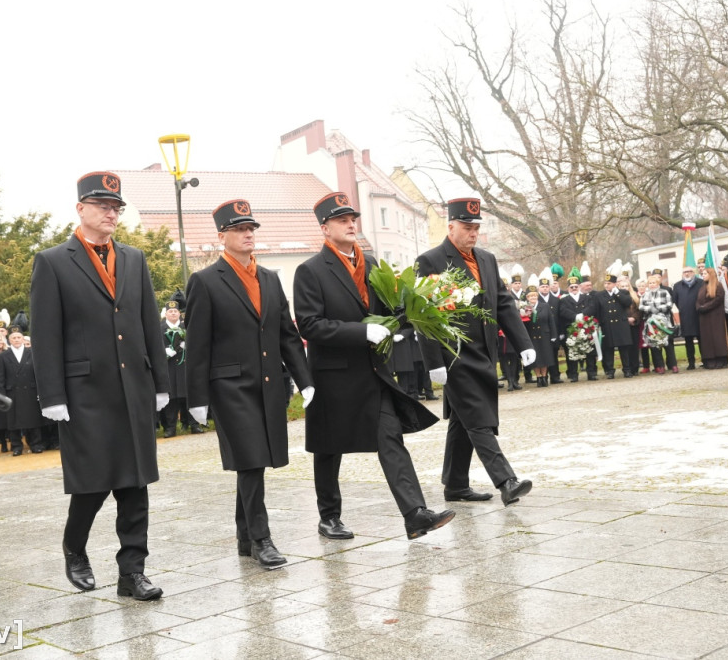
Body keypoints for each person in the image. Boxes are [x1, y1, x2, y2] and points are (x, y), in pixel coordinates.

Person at [31, 171, 170, 601]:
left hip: (133, 388)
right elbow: (45, 333)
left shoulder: (133, 258)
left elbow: (149, 322)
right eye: (103, 206)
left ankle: (132, 573)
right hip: (84, 394)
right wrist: (52, 395)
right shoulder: (54, 261)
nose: (112, 213)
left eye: (116, 207)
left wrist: (160, 382)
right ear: (81, 209)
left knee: (135, 484)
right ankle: (75, 547)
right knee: (92, 484)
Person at [293, 192, 453, 541]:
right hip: (333, 374)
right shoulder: (311, 271)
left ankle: (415, 514)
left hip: (372, 372)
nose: (351, 224)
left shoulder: (371, 263)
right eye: (342, 220)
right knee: (328, 448)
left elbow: (389, 307)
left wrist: (408, 319)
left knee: (390, 437)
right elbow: (309, 325)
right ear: (325, 227)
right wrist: (361, 331)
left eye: (353, 218)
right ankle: (329, 516)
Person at [186, 198, 313, 569]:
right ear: (222, 235)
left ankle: (245, 536)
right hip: (229, 387)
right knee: (251, 460)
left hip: (269, 383)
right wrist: (197, 397)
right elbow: (197, 344)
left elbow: (287, 334)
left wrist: (305, 380)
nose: (247, 235)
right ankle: (262, 539)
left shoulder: (270, 278)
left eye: (251, 229)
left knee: (253, 462)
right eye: (239, 229)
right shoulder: (205, 281)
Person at [416, 197, 536, 507]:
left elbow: (503, 302)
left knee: (462, 419)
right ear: (451, 226)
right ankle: (506, 481)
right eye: (467, 228)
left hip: (485, 351)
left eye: (476, 228)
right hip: (453, 354)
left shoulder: (486, 258)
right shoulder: (430, 261)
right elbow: (423, 313)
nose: (473, 234)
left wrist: (523, 342)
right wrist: (433, 362)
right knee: (478, 418)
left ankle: (455, 485)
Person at [0, 324, 44, 455]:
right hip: (12, 392)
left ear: (23, 339)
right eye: (13, 338)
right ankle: (16, 446)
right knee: (13, 421)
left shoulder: (32, 353)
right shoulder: (3, 356)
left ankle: (36, 444)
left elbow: (39, 374)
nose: (16, 340)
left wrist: (40, 392)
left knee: (33, 419)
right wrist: (2, 396)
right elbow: (0, 378)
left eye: (19, 337)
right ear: (9, 340)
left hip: (30, 390)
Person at [159, 296, 200, 436]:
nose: (173, 314)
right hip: (169, 367)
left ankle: (194, 425)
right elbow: (155, 344)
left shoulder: (186, 327)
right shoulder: (160, 328)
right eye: (170, 311)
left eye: (175, 311)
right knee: (171, 399)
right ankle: (170, 428)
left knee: (189, 396)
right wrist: (164, 351)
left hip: (185, 367)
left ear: (179, 313)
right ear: (166, 314)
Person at [593, 261, 634, 379]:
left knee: (624, 349)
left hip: (621, 325)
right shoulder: (599, 295)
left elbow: (627, 303)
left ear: (615, 284)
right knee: (608, 350)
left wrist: (617, 293)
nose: (607, 286)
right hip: (607, 325)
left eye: (609, 283)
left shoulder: (623, 292)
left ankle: (627, 369)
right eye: (605, 283)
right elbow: (596, 310)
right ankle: (610, 370)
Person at [522, 275, 556, 387]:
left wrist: (553, 335)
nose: (533, 298)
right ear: (527, 298)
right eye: (530, 296)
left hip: (544, 334)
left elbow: (551, 321)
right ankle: (538, 378)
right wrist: (525, 315)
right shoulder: (525, 308)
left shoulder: (544, 306)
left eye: (534, 296)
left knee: (545, 356)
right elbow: (523, 324)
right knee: (535, 358)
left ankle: (545, 377)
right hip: (532, 336)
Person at [696, 268, 728, 368]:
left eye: (705, 273)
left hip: (715, 316)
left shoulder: (718, 286)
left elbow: (718, 299)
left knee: (717, 337)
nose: (703, 275)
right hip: (704, 317)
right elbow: (698, 300)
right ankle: (709, 359)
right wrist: (698, 307)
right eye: (702, 274)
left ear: (711, 274)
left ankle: (721, 358)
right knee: (707, 339)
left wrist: (705, 307)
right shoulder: (702, 287)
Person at [673, 265, 704, 369]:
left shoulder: (701, 283)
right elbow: (676, 301)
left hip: (699, 315)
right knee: (688, 341)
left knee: (702, 339)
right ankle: (691, 362)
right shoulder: (677, 285)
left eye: (689, 271)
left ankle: (705, 359)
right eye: (685, 272)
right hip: (686, 316)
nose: (687, 273)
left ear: (694, 272)